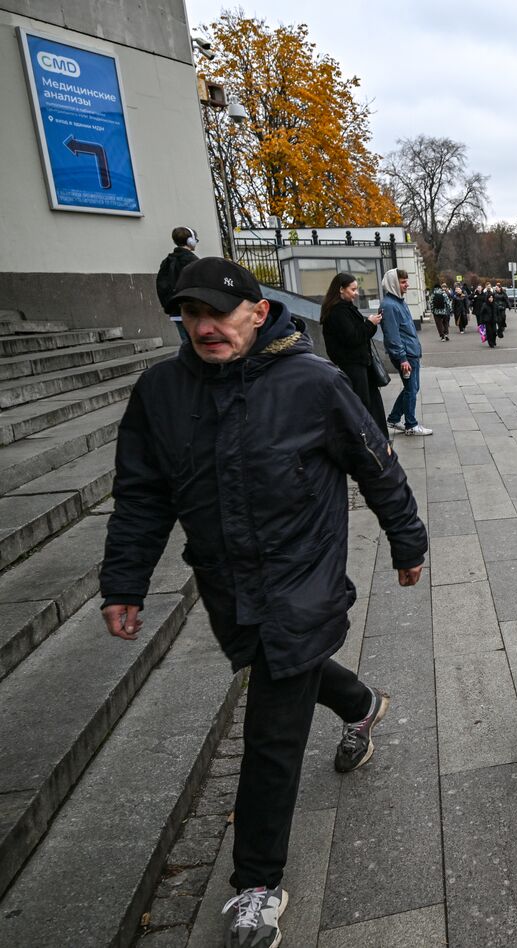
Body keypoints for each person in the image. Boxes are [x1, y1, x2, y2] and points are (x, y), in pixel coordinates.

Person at [99, 257, 427, 948]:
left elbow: (377, 464)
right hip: (229, 587)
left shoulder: (313, 383)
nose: (205, 327)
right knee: (286, 665)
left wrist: (407, 542)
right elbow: (142, 496)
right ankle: (362, 704)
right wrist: (124, 582)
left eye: (219, 313)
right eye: (192, 314)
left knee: (271, 735)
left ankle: (256, 885)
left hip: (303, 578)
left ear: (257, 312)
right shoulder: (161, 392)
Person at [321, 272, 389, 438]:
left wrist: (370, 324)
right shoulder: (338, 312)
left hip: (360, 364)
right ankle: (369, 439)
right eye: (353, 289)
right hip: (353, 366)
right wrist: (370, 323)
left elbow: (357, 336)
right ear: (341, 289)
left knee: (371, 404)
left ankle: (377, 439)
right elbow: (354, 338)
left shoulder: (345, 309)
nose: (356, 293)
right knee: (362, 405)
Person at [380, 268, 432, 436]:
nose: (407, 285)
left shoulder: (398, 302)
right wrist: (402, 358)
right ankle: (411, 424)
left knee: (412, 388)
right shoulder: (389, 306)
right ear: (394, 283)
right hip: (406, 355)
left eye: (406, 281)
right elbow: (392, 336)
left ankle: (394, 418)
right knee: (411, 389)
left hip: (410, 352)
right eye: (403, 282)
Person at [155, 226, 199, 344]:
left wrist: (169, 306)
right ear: (190, 241)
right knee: (197, 343)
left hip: (175, 311)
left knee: (186, 343)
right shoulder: (193, 261)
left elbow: (161, 286)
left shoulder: (167, 261)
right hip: (193, 310)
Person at [491, 281, 509, 346]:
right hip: (496, 308)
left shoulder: (503, 293)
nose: (496, 289)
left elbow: (506, 299)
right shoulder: (494, 293)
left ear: (500, 288)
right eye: (495, 288)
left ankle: (502, 326)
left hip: (502, 308)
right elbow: (491, 299)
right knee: (497, 319)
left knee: (503, 317)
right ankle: (498, 330)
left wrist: (509, 306)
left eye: (497, 288)